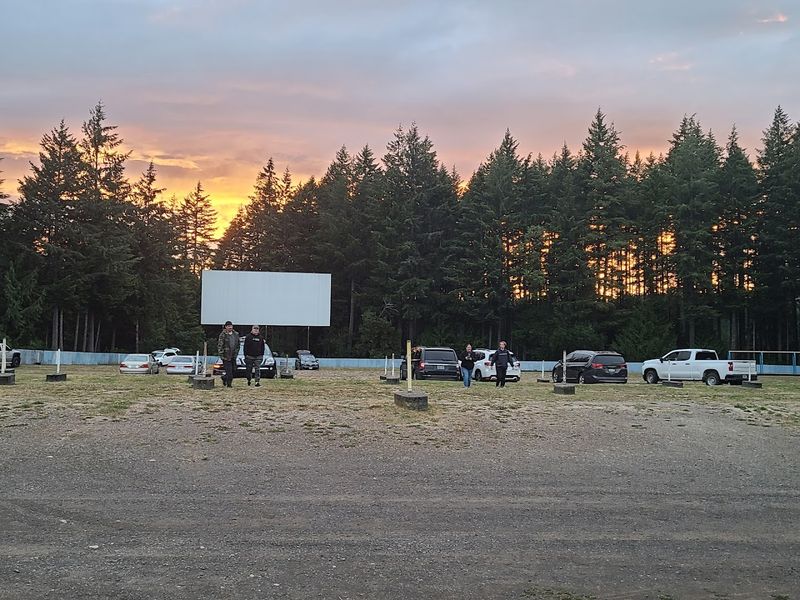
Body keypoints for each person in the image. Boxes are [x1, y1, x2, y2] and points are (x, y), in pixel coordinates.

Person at [217, 321, 240, 388]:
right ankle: (229, 384)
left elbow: (238, 345)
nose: (230, 327)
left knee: (234, 370)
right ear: (226, 327)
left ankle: (224, 378)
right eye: (228, 326)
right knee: (229, 371)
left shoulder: (236, 334)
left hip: (233, 355)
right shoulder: (223, 334)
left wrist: (236, 353)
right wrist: (221, 355)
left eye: (231, 326)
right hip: (226, 356)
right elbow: (220, 345)